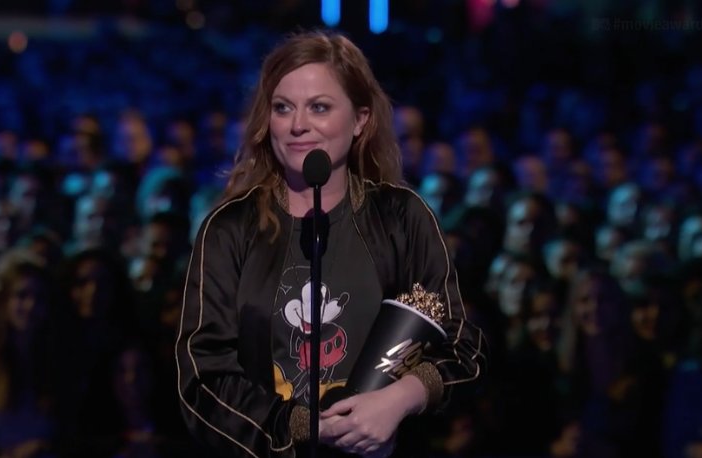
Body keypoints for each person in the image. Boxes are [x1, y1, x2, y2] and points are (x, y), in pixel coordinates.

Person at [176, 30, 485, 458]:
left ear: (360, 119)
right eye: (283, 108)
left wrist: (401, 398)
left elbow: (462, 348)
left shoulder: (402, 217)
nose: (297, 125)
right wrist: (304, 427)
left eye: (319, 107)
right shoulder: (230, 228)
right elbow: (202, 378)